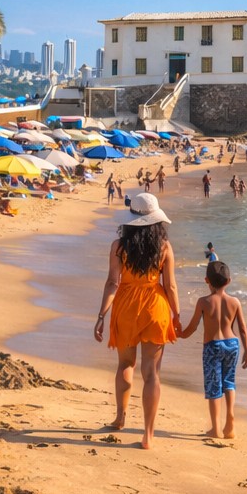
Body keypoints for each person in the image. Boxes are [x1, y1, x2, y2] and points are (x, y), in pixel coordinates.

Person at [93, 192, 180, 450]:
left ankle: (120, 418)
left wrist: (101, 315)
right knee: (152, 372)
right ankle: (148, 434)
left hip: (126, 306)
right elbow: (170, 286)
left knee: (125, 364)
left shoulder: (118, 247)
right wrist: (177, 315)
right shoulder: (164, 247)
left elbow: (112, 283)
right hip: (155, 306)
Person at [177, 259, 247, 440]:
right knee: (229, 382)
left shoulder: (203, 302)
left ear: (206, 280)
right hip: (232, 344)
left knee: (213, 387)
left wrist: (180, 334)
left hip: (212, 346)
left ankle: (216, 429)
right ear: (229, 281)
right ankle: (230, 417)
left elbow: (193, 327)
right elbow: (242, 329)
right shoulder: (235, 302)